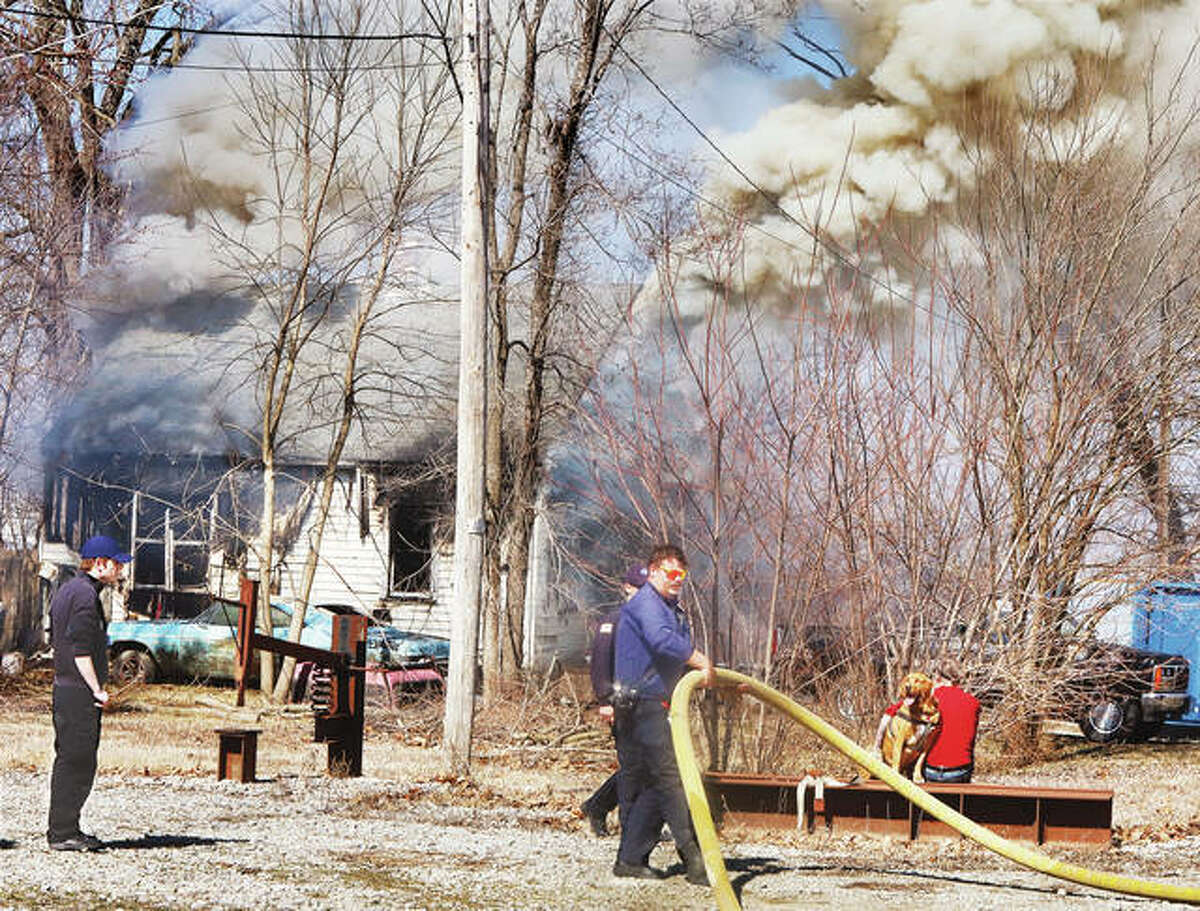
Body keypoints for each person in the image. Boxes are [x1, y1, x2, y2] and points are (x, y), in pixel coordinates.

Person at [611, 544, 714, 884]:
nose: (676, 580)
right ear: (653, 571)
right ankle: (694, 859)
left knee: (655, 783)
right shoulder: (647, 605)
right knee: (671, 778)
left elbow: (672, 653)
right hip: (642, 706)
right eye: (670, 573)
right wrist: (698, 659)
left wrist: (712, 675)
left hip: (657, 702)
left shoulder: (670, 608)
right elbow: (660, 641)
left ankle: (629, 859)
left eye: (681, 575)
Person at [46, 534, 130, 851]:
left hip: (66, 688)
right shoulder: (84, 596)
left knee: (72, 759)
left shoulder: (70, 589)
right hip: (78, 692)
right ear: (99, 564)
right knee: (77, 761)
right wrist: (97, 690)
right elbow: (80, 650)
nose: (120, 568)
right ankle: (62, 832)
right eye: (117, 563)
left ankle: (66, 828)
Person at [580, 565, 648, 837]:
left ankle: (598, 806)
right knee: (635, 765)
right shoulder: (615, 621)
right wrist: (604, 701)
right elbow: (600, 663)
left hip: (651, 705)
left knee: (646, 765)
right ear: (627, 589)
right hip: (622, 705)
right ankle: (620, 819)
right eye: (640, 590)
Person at [872, 656, 981, 784]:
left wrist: (877, 747)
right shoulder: (974, 703)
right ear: (958, 680)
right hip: (959, 772)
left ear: (937, 678)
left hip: (931, 771)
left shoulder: (928, 700)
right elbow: (971, 741)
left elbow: (889, 714)